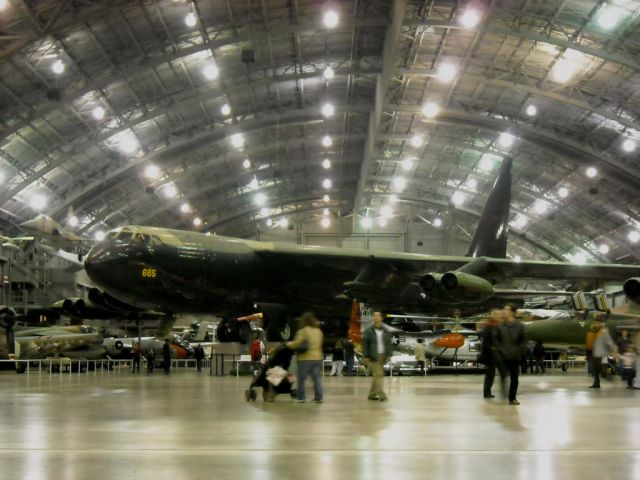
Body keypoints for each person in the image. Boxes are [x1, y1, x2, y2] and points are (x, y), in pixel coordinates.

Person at [286, 312, 324, 403]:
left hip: (305, 358)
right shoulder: (319, 331)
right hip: (317, 358)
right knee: (316, 379)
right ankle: (319, 397)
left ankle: (301, 397)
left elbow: (296, 343)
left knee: (301, 379)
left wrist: (288, 343)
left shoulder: (303, 330)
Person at [495, 304, 525, 405]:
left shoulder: (520, 326)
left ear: (512, 312)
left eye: (506, 309)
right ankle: (504, 392)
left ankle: (512, 398)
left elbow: (523, 340)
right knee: (503, 376)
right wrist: (500, 350)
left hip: (515, 356)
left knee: (515, 379)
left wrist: (519, 351)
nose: (504, 311)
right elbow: (495, 340)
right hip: (503, 356)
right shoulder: (499, 326)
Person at [362, 311, 393, 401]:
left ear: (381, 318)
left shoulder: (386, 330)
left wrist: (389, 354)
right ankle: (382, 395)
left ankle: (372, 394)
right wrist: (366, 355)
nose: (376, 317)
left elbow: (388, 343)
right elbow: (365, 344)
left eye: (378, 315)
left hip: (382, 355)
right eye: (374, 315)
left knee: (376, 375)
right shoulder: (368, 330)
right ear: (373, 318)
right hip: (373, 355)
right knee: (379, 374)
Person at [480, 309, 501, 398]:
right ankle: (487, 392)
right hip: (490, 356)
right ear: (493, 315)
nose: (499, 317)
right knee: (490, 374)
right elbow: (487, 342)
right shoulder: (490, 326)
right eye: (498, 315)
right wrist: (493, 349)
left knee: (490, 374)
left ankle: (487, 391)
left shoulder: (493, 325)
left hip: (492, 355)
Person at [590, 323, 615, 389]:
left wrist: (612, 351)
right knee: (595, 369)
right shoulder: (596, 333)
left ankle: (608, 376)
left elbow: (609, 343)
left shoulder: (604, 333)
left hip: (602, 354)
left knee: (601, 369)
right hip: (595, 354)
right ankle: (596, 383)